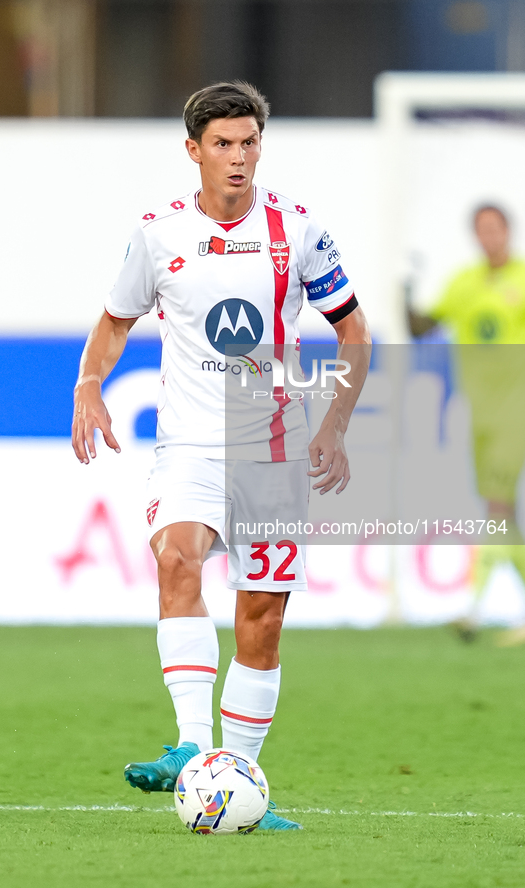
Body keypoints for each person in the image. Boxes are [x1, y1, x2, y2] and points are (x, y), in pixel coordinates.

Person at [72, 81, 371, 829]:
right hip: (188, 446)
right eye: (222, 144)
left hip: (269, 450)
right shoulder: (158, 232)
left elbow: (354, 333)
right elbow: (114, 321)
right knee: (176, 558)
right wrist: (87, 383)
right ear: (193, 151)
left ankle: (241, 779)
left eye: (248, 143)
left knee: (261, 619)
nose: (238, 158)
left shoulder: (297, 232)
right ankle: (190, 747)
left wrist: (333, 422)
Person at [408, 205, 525, 644]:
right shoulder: (464, 283)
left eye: (496, 228)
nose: (490, 237)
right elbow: (422, 329)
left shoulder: (522, 277)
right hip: (479, 412)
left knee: (496, 507)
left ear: (508, 231)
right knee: (504, 513)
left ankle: (473, 610)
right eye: (482, 230)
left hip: (517, 411)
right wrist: (406, 296)